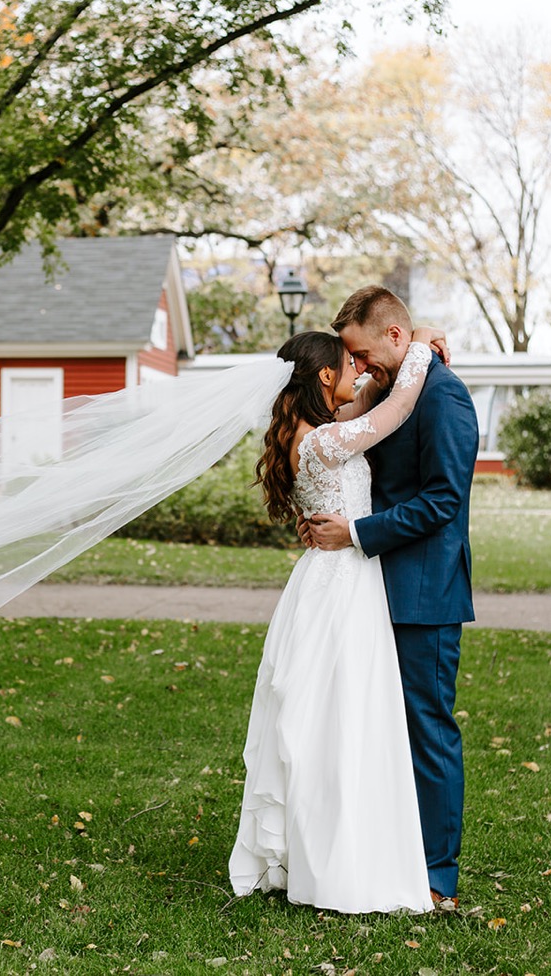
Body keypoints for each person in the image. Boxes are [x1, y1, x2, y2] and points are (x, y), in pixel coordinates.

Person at [229, 328, 440, 915]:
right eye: (350, 364)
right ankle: (342, 860)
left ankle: (323, 847)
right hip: (344, 583)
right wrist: (419, 345)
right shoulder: (325, 443)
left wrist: (379, 369)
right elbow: (396, 408)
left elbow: (369, 399)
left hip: (326, 580)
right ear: (324, 377)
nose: (359, 371)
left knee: (327, 718)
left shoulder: (313, 434)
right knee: (346, 718)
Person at [303, 285, 479, 910]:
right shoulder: (400, 385)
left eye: (362, 352)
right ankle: (391, 855)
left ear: (395, 337)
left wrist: (355, 533)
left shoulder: (445, 397)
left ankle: (438, 878)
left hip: (423, 592)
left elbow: (443, 502)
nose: (359, 366)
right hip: (375, 588)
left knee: (427, 731)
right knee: (385, 731)